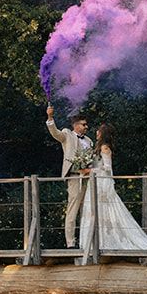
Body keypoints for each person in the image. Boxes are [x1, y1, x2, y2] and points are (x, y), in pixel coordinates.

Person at [76, 123, 147, 255]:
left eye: (99, 131)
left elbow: (107, 167)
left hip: (101, 182)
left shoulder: (105, 148)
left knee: (104, 210)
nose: (96, 133)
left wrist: (90, 170)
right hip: (95, 181)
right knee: (94, 210)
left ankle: (104, 241)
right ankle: (94, 241)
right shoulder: (97, 147)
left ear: (102, 133)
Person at [45, 105, 92, 247]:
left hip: (88, 179)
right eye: (84, 125)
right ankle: (70, 243)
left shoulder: (89, 140)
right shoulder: (67, 134)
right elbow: (55, 133)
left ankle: (86, 242)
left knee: (87, 210)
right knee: (72, 210)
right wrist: (50, 117)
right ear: (76, 125)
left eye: (86, 124)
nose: (86, 127)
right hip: (74, 177)